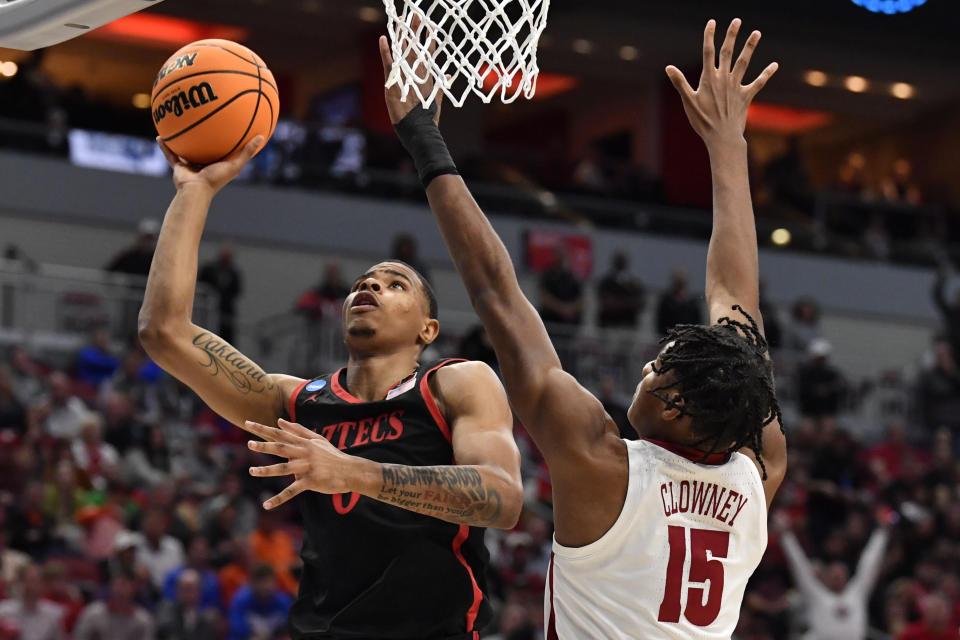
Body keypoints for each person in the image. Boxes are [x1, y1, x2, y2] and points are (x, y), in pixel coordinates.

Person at [382, 17, 785, 638]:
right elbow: (735, 299)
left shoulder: (605, 466)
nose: (646, 370)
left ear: (677, 408)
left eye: (659, 369)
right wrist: (728, 146)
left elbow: (497, 293)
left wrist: (422, 137)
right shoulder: (757, 474)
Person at [140, 122, 523, 639]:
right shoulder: (296, 401)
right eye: (364, 282)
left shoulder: (454, 384)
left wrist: (353, 473)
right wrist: (195, 193)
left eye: (395, 284)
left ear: (427, 329)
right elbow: (164, 332)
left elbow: (501, 499)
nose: (370, 285)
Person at [778, 512, 890, 640]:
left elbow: (869, 565)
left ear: (847, 578)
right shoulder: (816, 594)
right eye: (833, 575)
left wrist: (881, 533)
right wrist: (786, 536)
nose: (837, 578)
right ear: (825, 578)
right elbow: (799, 566)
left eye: (840, 575)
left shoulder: (856, 592)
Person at [73, 572, 154, 640]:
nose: (120, 590)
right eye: (117, 585)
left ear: (134, 589)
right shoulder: (93, 613)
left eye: (124, 585)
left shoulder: (142, 620)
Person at [227, 565, 292, 640]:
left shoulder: (283, 601)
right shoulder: (241, 601)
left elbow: (290, 628)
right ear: (252, 583)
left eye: (269, 581)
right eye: (262, 582)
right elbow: (237, 629)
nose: (266, 586)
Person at [0, 564, 64, 640]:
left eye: (39, 581)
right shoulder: (3, 611)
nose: (34, 585)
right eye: (31, 580)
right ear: (20, 583)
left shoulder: (54, 613)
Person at [156, 569, 220, 640]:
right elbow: (165, 632)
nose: (187, 594)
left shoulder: (206, 620)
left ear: (199, 591)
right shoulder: (166, 612)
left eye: (190, 589)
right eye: (184, 589)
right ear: (177, 591)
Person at [199, 243, 243, 344]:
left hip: (225, 314)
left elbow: (236, 292)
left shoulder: (234, 273)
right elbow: (200, 287)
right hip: (206, 312)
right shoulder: (208, 270)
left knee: (225, 341)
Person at [597, 252, 646, 329]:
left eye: (623, 261)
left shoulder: (632, 282)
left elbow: (641, 302)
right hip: (609, 325)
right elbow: (609, 304)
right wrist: (631, 303)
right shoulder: (606, 282)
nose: (621, 263)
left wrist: (619, 303)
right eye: (619, 261)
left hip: (629, 326)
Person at [537, 247, 584, 328]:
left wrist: (569, 309)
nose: (561, 256)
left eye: (563, 253)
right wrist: (561, 309)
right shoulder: (547, 275)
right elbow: (544, 296)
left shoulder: (573, 276)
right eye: (558, 253)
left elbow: (580, 300)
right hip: (550, 321)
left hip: (569, 323)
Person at [655, 267, 702, 335]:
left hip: (688, 337)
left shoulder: (692, 302)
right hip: (670, 336)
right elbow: (660, 323)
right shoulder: (666, 300)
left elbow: (698, 322)